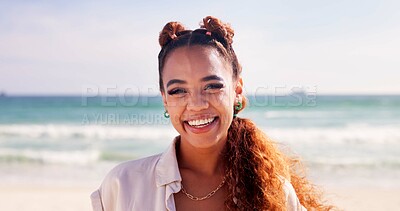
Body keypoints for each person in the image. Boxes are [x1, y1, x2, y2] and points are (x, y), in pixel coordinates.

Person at [91, 16, 333, 211]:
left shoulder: (275, 193)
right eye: (178, 91)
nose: (196, 105)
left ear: (237, 90)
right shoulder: (122, 187)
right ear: (164, 99)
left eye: (212, 86)